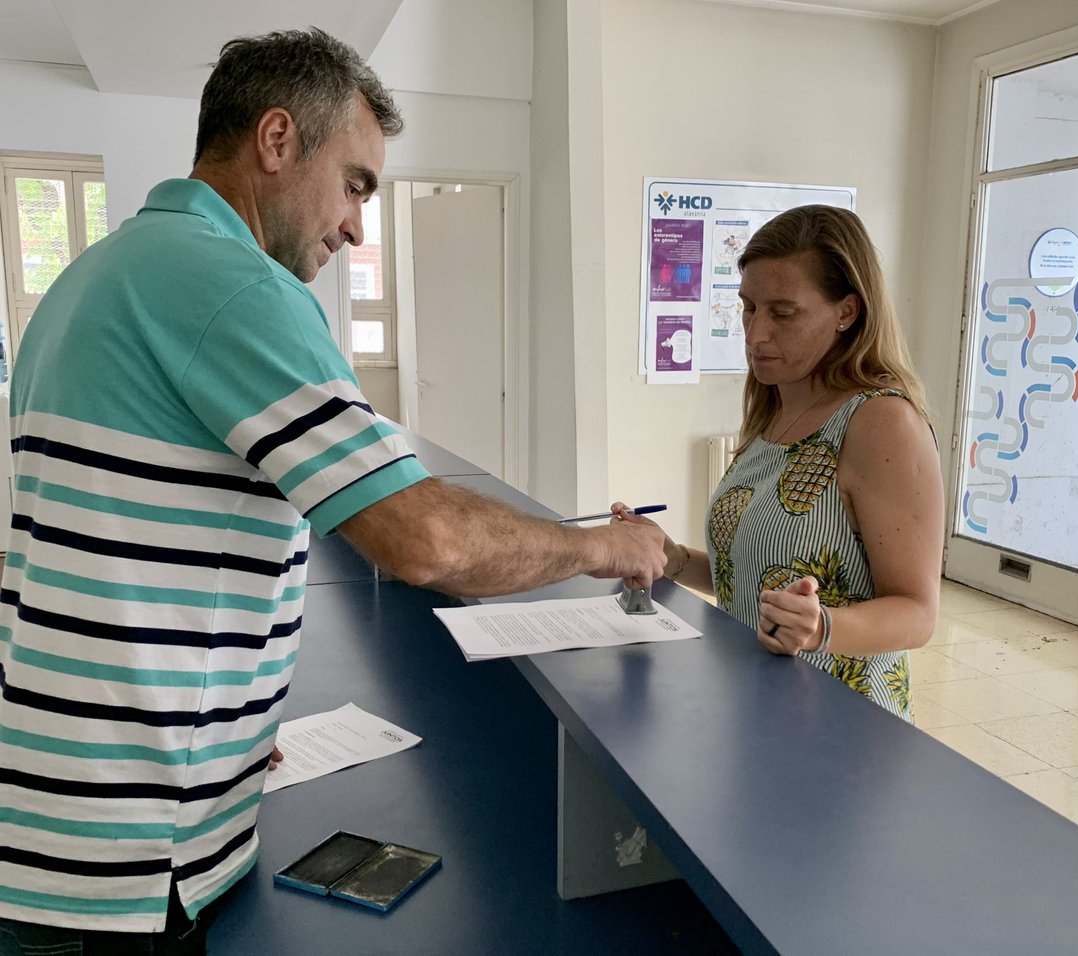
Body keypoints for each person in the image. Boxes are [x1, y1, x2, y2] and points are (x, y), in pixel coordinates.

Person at [0, 27, 664, 954]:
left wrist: (224, 719)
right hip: (128, 854)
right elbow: (426, 539)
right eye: (355, 184)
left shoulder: (91, 277)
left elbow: (112, 546)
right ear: (277, 141)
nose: (356, 225)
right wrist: (607, 547)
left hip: (51, 811)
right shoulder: (235, 288)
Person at [616, 205, 942, 721]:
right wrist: (671, 557)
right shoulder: (775, 408)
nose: (755, 334)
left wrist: (821, 627)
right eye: (748, 308)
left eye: (783, 313)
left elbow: (918, 613)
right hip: (755, 706)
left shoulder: (883, 423)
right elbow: (755, 576)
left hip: (843, 723)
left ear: (847, 312)